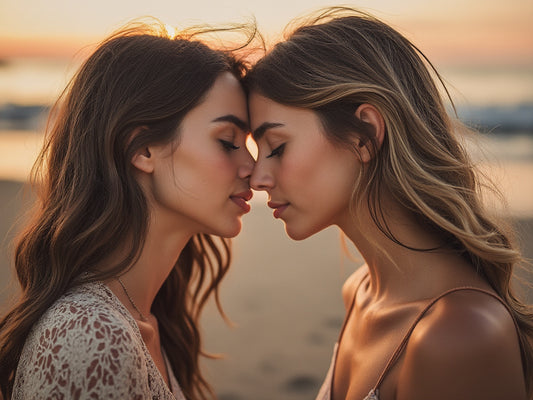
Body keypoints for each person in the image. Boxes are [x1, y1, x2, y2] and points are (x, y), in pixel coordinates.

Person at [246, 7, 533, 400]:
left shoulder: (460, 336)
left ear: (364, 134)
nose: (258, 177)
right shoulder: (360, 291)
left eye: (276, 148)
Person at [0, 21, 255, 400]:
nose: (253, 166)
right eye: (227, 141)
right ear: (142, 148)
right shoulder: (91, 337)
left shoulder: (142, 319)